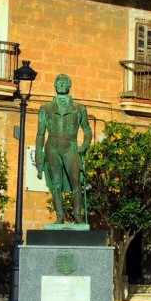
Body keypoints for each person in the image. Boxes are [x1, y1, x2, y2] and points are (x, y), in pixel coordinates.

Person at [34, 74, 92, 224]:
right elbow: (40, 134)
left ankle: (78, 216)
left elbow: (87, 130)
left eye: (64, 82)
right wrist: (39, 155)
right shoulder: (45, 109)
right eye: (58, 82)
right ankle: (59, 216)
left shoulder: (79, 108)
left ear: (69, 85)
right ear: (54, 85)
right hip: (51, 146)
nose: (61, 84)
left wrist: (84, 145)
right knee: (56, 184)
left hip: (70, 147)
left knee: (76, 183)